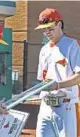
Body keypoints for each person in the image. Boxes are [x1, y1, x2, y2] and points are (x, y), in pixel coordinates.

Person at [35, 8, 80, 137]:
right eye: (44, 29)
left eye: (50, 28)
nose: (47, 32)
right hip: (46, 105)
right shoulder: (44, 50)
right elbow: (42, 79)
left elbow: (79, 77)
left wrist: (57, 85)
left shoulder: (73, 45)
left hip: (66, 105)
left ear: (59, 24)